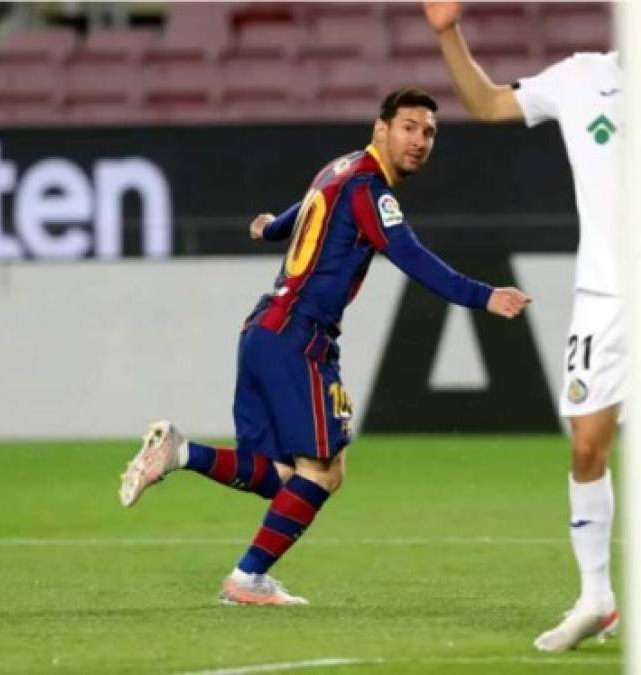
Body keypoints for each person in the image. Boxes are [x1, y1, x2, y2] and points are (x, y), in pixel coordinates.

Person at [118, 87, 532, 606]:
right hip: (300, 337)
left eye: (429, 132)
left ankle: (180, 453)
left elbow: (306, 206)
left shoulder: (340, 168)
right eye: (408, 127)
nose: (420, 140)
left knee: (281, 477)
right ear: (380, 128)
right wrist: (483, 295)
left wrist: (272, 228)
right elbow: (409, 254)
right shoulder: (372, 191)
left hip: (262, 330)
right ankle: (246, 579)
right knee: (325, 471)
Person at [423, 1, 641, 652]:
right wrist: (447, 34)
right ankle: (596, 597)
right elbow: (487, 105)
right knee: (586, 445)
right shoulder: (578, 77)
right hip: (602, 300)